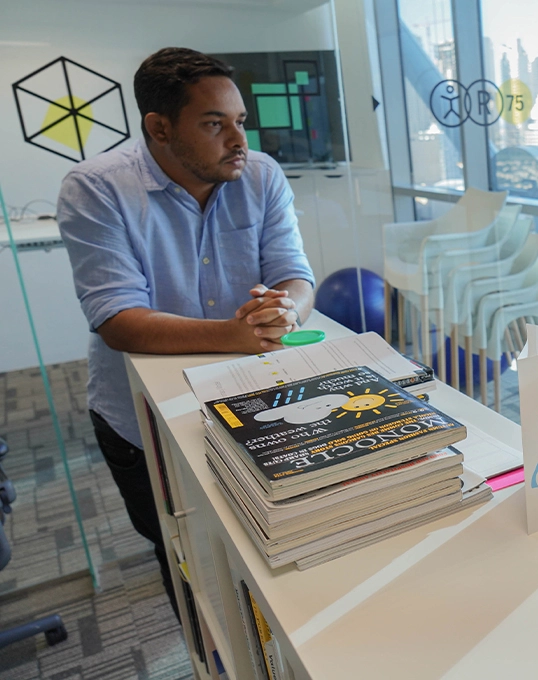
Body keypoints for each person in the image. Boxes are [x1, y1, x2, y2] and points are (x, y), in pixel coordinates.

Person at [57, 48, 315, 617]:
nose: (238, 140)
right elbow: (119, 321)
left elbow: (295, 274)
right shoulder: (95, 188)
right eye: (214, 124)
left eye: (240, 122)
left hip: (251, 406)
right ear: (160, 128)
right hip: (142, 420)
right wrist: (235, 334)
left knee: (270, 554)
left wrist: (286, 312)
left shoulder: (262, 175)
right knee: (187, 562)